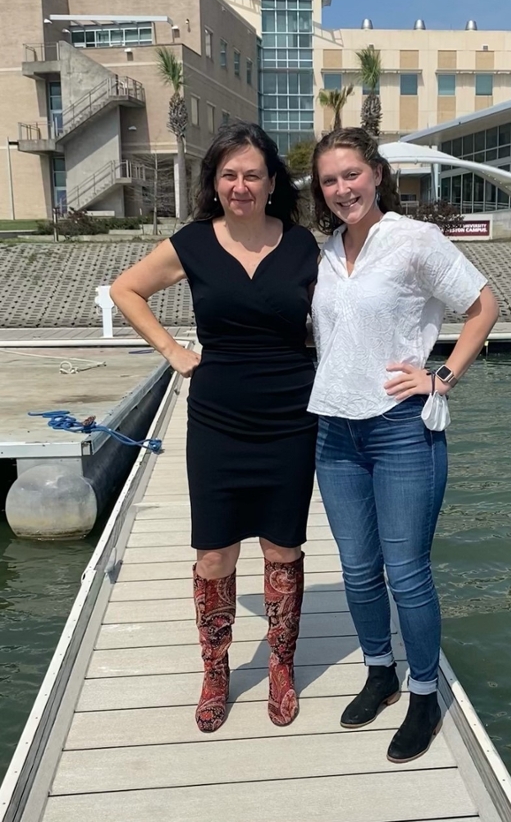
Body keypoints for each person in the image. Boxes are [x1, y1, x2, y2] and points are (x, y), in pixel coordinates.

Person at [110, 121, 319, 733]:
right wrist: (174, 351)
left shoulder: (305, 245)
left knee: (283, 547)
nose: (241, 185)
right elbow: (126, 289)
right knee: (214, 552)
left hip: (290, 416)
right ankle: (216, 669)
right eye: (229, 174)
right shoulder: (194, 243)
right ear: (215, 183)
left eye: (253, 174)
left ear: (273, 181)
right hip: (218, 418)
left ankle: (281, 666)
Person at [308, 127, 499, 764]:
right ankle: (380, 672)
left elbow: (483, 306)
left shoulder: (415, 241)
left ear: (377, 174)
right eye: (330, 180)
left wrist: (440, 375)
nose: (342, 189)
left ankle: (423, 694)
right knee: (359, 571)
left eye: (351, 175)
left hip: (400, 429)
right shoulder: (328, 251)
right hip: (334, 432)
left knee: (407, 573)